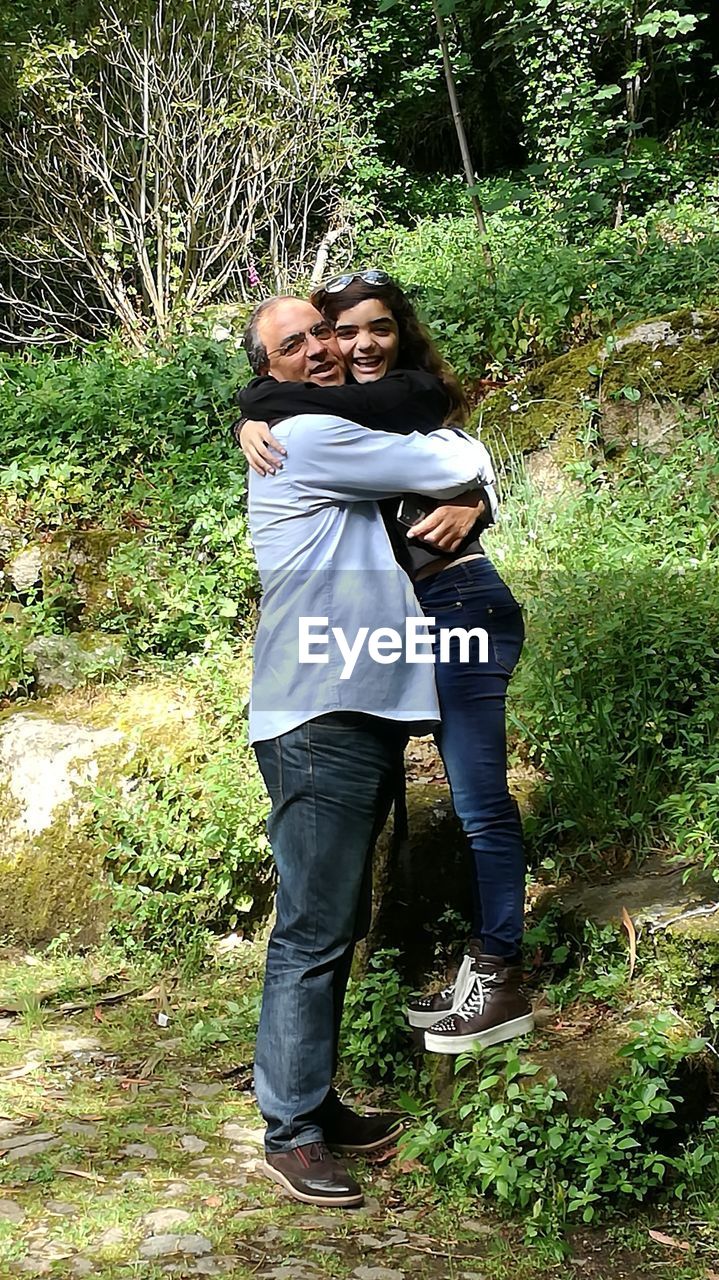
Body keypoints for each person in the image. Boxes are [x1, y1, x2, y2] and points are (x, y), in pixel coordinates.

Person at [237, 272, 534, 1059]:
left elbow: (454, 455)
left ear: (400, 333)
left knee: (477, 800)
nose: (352, 345)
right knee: (456, 797)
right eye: (337, 332)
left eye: (375, 329)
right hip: (409, 627)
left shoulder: (408, 400)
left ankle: (500, 973)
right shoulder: (326, 420)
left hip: (460, 603)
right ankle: (481, 969)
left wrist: (479, 494)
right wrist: (256, 408)